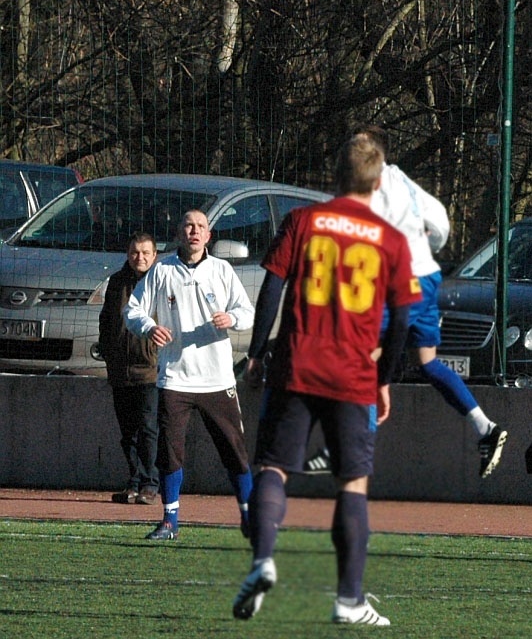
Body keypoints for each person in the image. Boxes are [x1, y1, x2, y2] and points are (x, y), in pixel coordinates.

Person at [232, 137, 422, 626]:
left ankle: (263, 561)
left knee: (273, 468)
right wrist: (385, 378)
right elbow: (402, 320)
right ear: (378, 182)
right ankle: (349, 600)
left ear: (335, 175)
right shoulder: (392, 240)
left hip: (295, 363)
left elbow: (272, 287)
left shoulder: (302, 220)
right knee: (351, 484)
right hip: (354, 374)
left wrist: (256, 355)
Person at [304, 125, 507, 479]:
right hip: (427, 275)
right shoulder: (404, 181)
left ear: (373, 152)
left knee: (365, 355)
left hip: (399, 279)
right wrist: (429, 247)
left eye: (359, 144)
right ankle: (484, 426)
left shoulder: (376, 185)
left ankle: (348, 448)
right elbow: (440, 221)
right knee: (426, 362)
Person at [123, 209, 255, 539]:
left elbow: (246, 311)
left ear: (209, 236)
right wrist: (149, 326)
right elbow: (132, 311)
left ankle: (250, 516)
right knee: (169, 452)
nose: (194, 231)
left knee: (234, 451)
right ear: (180, 233)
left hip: (217, 379)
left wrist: (232, 319)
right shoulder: (161, 270)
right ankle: (170, 521)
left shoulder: (222, 270)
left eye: (200, 227)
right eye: (188, 226)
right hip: (174, 379)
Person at [98, 231, 159, 505]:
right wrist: (108, 352)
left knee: (148, 429)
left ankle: (150, 483)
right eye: (135, 252)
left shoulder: (161, 281)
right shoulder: (117, 282)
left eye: (146, 253)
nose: (140, 258)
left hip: (149, 370)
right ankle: (133, 481)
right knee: (128, 433)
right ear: (127, 254)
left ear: (154, 255)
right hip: (120, 371)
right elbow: (106, 320)